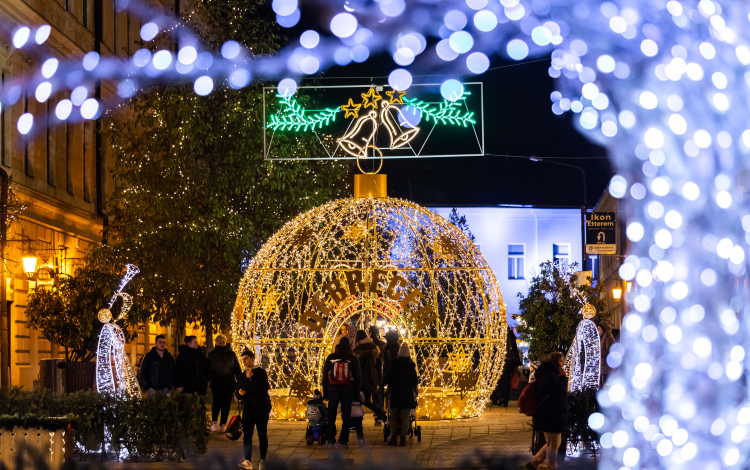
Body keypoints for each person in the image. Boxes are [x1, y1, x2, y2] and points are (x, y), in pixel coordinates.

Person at [525, 352, 568, 470]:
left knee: (553, 442)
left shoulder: (547, 373)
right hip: (550, 414)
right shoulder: (550, 375)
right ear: (555, 362)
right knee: (554, 444)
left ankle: (534, 463)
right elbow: (559, 393)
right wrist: (564, 378)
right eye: (561, 361)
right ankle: (551, 467)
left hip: (548, 414)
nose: (563, 364)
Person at [321, 337, 361, 448]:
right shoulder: (352, 359)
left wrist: (325, 391)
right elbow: (358, 377)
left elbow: (324, 376)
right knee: (346, 416)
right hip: (347, 390)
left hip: (332, 389)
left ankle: (330, 438)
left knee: (331, 415)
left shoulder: (331, 357)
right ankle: (343, 440)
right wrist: (356, 393)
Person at [236, 349, 271, 470]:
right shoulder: (241, 376)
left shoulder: (260, 373)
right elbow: (238, 393)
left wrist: (252, 378)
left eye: (246, 359)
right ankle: (247, 460)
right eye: (243, 359)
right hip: (248, 409)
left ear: (252, 358)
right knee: (247, 435)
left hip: (261, 407)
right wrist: (240, 393)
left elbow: (264, 389)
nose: (244, 362)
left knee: (262, 434)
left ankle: (263, 460)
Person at [384, 343, 418, 447]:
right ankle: (403, 439)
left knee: (393, 416)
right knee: (405, 417)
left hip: (396, 394)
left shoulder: (394, 365)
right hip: (407, 394)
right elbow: (415, 382)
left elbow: (388, 379)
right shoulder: (411, 366)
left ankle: (393, 438)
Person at [206, 334, 241, 432]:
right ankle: (214, 421)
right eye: (220, 342)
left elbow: (237, 368)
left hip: (229, 382)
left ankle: (223, 424)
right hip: (216, 382)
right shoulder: (211, 354)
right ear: (216, 343)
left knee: (226, 404)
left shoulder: (231, 354)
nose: (222, 344)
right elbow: (208, 369)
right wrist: (208, 379)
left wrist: (239, 381)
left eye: (223, 342)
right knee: (217, 402)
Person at [353, 330, 387, 424]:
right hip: (372, 377)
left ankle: (382, 416)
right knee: (370, 399)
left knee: (363, 401)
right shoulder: (374, 348)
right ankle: (381, 416)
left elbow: (357, 366)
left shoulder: (358, 350)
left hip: (363, 378)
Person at [493, 326, 521, 407]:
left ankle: (501, 396)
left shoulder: (497, 333)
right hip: (508, 361)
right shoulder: (510, 334)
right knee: (506, 380)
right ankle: (505, 400)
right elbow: (514, 348)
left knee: (498, 379)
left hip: (500, 359)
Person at [369, 325, 387, 423]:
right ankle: (379, 414)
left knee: (373, 393)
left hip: (371, 371)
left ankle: (377, 413)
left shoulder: (368, 344)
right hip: (380, 371)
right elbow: (384, 358)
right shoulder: (382, 344)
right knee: (380, 393)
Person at [598, 320, 616, 386]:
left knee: (605, 386)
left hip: (606, 368)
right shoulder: (602, 338)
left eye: (599, 329)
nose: (598, 330)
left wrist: (597, 351)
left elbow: (609, 353)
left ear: (604, 329)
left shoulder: (608, 338)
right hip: (602, 367)